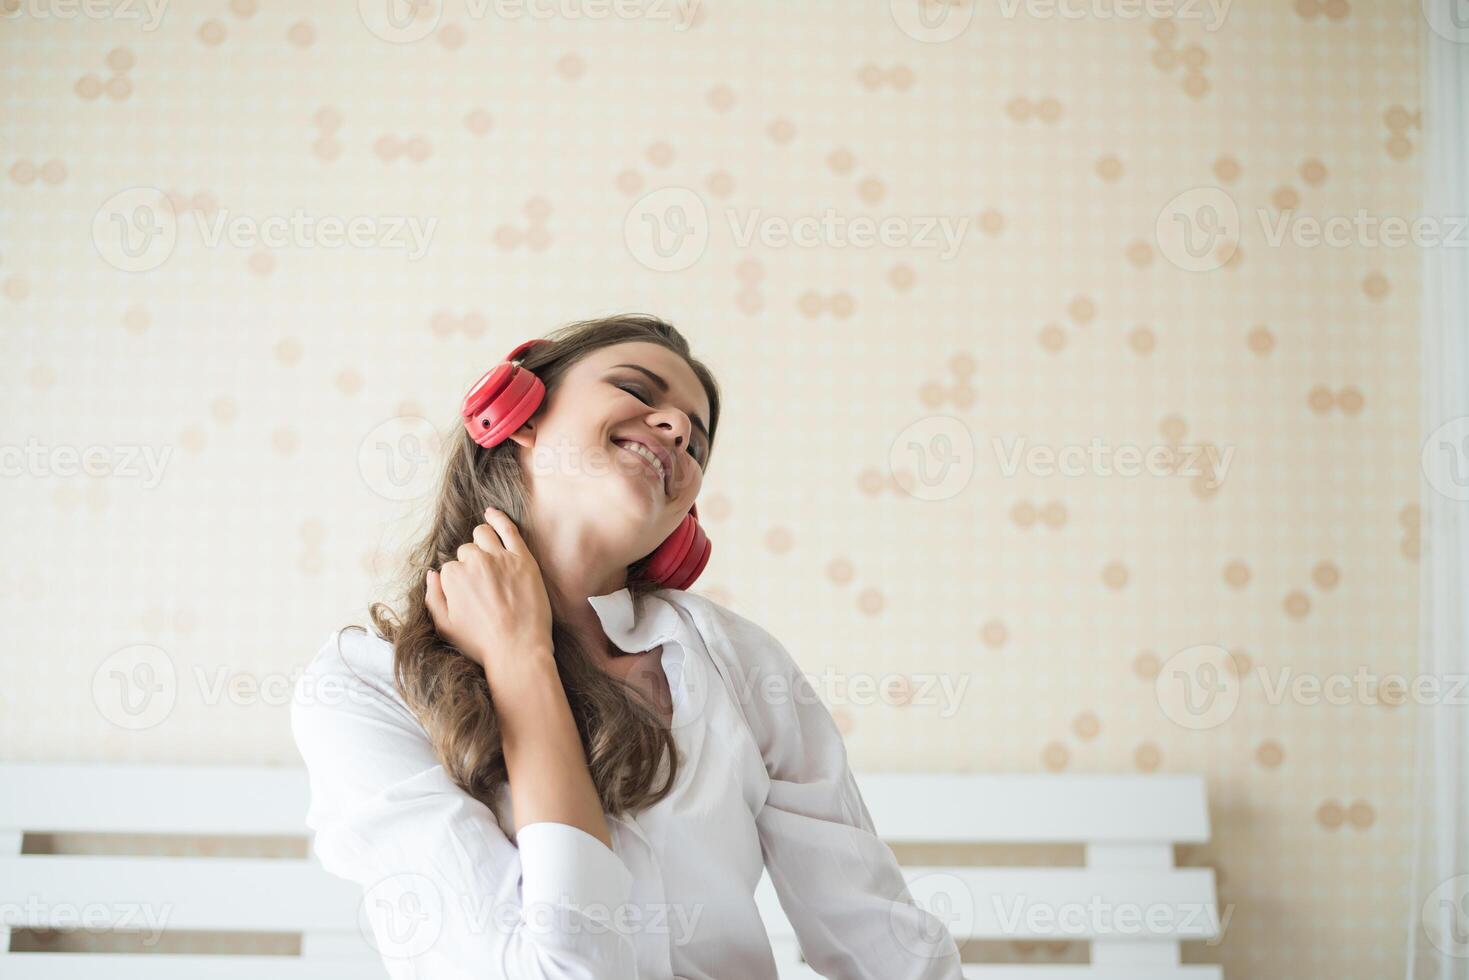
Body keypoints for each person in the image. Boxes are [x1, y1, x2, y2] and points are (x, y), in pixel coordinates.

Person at [290, 313, 964, 978]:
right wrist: (522, 665)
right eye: (639, 393)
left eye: (697, 445)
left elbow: (879, 940)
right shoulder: (364, 685)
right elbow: (565, 970)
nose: (676, 430)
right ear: (516, 413)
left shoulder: (737, 661)